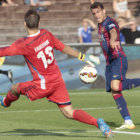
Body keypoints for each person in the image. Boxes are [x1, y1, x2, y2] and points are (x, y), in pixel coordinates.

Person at [0, 9, 113, 138]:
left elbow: (4, 51)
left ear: (25, 23)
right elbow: (63, 47)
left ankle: (5, 102)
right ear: (39, 22)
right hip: (57, 81)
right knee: (69, 112)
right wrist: (83, 56)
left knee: (15, 88)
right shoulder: (46, 34)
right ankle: (98, 123)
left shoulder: (23, 44)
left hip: (41, 85)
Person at [90, 2, 140, 130]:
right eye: (94, 13)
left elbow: (113, 31)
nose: (96, 15)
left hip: (118, 58)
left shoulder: (109, 22)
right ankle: (128, 121)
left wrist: (113, 39)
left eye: (98, 12)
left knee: (115, 86)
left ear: (104, 11)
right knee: (115, 91)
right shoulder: (99, 25)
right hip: (110, 62)